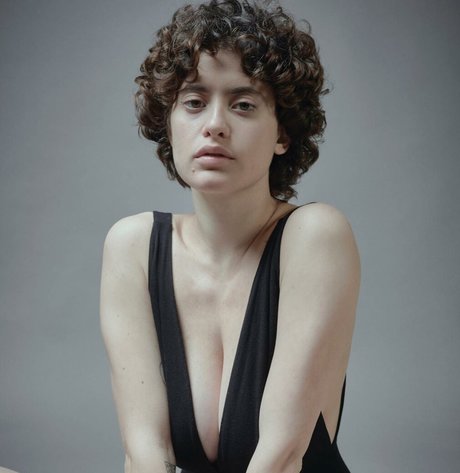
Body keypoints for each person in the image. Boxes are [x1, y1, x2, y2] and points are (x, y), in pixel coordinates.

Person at [100, 1, 360, 472]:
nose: (215, 125)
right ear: (169, 124)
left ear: (282, 134)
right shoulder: (132, 246)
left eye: (243, 105)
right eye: (194, 102)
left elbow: (281, 457)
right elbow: (144, 454)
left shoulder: (315, 236)